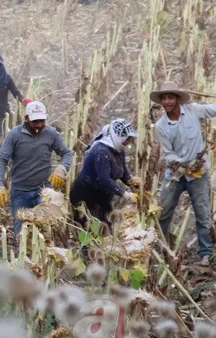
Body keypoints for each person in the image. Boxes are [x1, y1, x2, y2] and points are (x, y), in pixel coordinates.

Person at [151, 81, 216, 264]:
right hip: (176, 175)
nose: (167, 101)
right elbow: (168, 154)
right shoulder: (161, 127)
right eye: (164, 98)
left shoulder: (194, 110)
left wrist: (195, 164)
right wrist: (183, 163)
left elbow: (213, 109)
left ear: (177, 98)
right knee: (163, 213)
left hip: (199, 174)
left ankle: (204, 253)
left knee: (202, 214)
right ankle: (160, 249)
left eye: (170, 97)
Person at [0, 101, 73, 240]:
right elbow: (2, 160)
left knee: (46, 231)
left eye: (42, 121)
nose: (39, 125)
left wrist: (61, 168)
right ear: (26, 119)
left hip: (44, 191)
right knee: (21, 233)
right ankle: (21, 261)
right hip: (20, 192)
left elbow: (67, 153)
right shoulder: (14, 135)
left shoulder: (51, 134)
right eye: (35, 121)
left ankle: (44, 260)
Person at [70, 118, 140, 231]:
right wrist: (124, 194)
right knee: (88, 229)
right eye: (127, 140)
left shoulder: (118, 149)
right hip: (87, 195)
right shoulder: (101, 152)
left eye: (129, 140)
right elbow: (104, 179)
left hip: (103, 196)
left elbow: (122, 172)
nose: (128, 143)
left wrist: (132, 182)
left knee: (104, 228)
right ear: (118, 137)